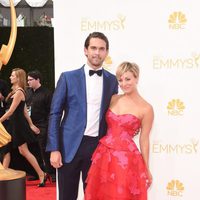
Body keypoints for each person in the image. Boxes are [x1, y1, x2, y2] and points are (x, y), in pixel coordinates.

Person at [46, 32, 118, 200]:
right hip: (68, 146)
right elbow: (55, 114)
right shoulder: (67, 77)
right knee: (66, 196)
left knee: (94, 196)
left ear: (106, 53)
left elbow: (113, 113)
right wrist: (54, 148)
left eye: (101, 49)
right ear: (85, 50)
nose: (97, 53)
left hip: (97, 148)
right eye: (93, 48)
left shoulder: (112, 81)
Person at [84, 61, 154, 200]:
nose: (123, 84)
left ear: (137, 78)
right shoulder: (113, 99)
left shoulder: (146, 108)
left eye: (128, 79)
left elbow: (144, 139)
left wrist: (146, 168)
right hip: (104, 155)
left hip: (126, 160)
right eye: (120, 80)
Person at [0, 68, 48, 187]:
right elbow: (25, 111)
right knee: (7, 149)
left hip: (18, 125)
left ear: (18, 78)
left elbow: (11, 111)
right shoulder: (15, 91)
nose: (10, 77)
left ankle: (41, 174)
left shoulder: (20, 92)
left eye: (12, 76)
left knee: (23, 151)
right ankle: (3, 177)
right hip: (13, 125)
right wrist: (31, 124)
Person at [26, 70, 55, 181]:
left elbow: (50, 111)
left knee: (44, 149)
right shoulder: (27, 92)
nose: (28, 82)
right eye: (27, 80)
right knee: (32, 149)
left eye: (30, 80)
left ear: (37, 80)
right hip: (29, 125)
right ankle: (37, 172)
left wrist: (47, 126)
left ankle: (51, 173)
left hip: (42, 125)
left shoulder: (47, 93)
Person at [0, 78, 10, 168]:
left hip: (2, 117)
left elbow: (7, 100)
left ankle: (4, 170)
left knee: (5, 147)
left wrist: (2, 97)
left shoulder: (3, 83)